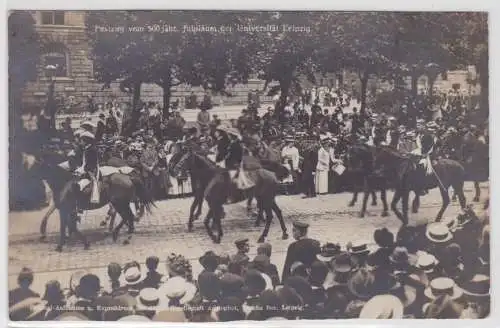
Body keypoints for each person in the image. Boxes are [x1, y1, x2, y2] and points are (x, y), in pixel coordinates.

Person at [74, 131, 100, 204]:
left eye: (82, 141)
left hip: (91, 171)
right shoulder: (87, 149)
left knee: (79, 184)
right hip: (86, 168)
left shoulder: (91, 150)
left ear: (86, 141)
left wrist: (83, 171)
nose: (80, 142)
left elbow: (91, 164)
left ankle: (81, 201)